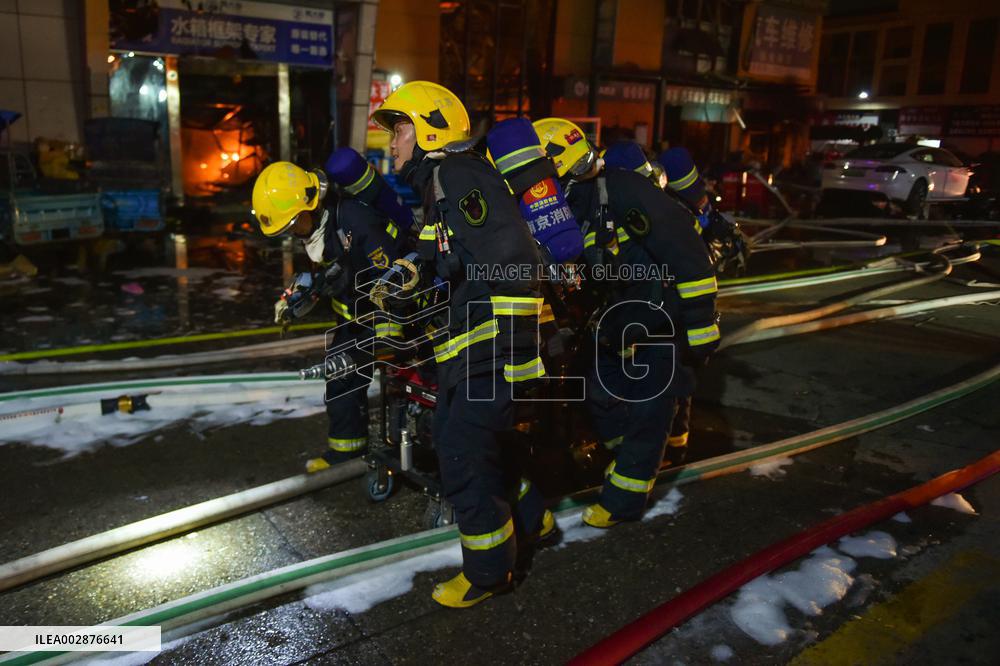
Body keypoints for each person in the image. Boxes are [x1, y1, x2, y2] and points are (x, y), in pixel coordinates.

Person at [371, 81, 554, 608]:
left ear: (430, 130)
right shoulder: (441, 184)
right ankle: (534, 520)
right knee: (484, 444)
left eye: (400, 128)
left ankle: (490, 572)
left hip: (492, 353)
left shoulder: (457, 174)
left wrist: (518, 365)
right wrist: (407, 271)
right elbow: (438, 244)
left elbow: (516, 265)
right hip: (474, 352)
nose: (393, 142)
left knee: (461, 453)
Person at [534, 121, 720, 528]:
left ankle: (624, 501)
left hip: (664, 313)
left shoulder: (622, 191)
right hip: (621, 315)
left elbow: (687, 253)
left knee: (651, 406)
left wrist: (701, 328)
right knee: (596, 389)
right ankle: (625, 456)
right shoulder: (569, 204)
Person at [251, 150, 406, 473]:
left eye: (293, 223)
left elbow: (391, 273)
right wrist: (297, 298)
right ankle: (346, 453)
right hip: (352, 319)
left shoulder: (354, 219)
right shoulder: (319, 227)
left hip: (385, 319)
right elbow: (332, 273)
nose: (293, 232)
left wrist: (388, 330)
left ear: (311, 203)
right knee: (340, 380)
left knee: (369, 378)